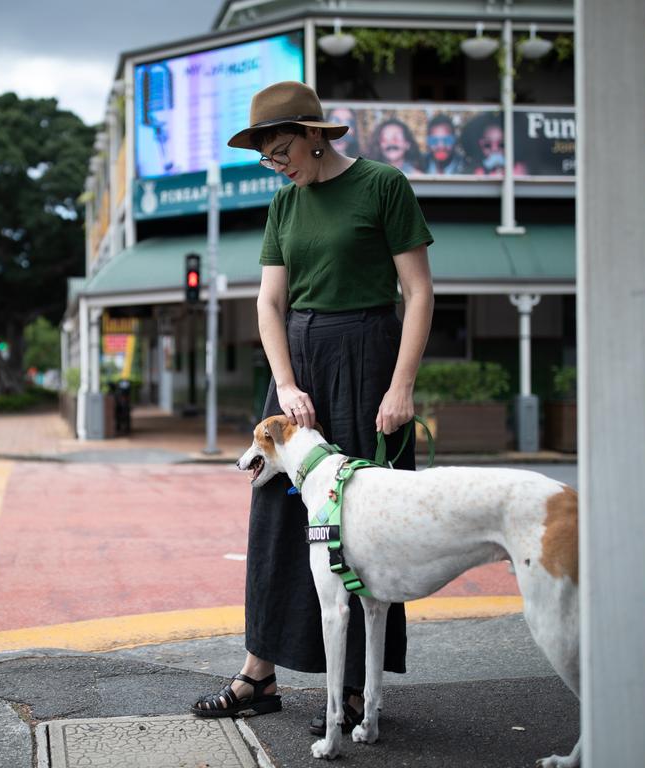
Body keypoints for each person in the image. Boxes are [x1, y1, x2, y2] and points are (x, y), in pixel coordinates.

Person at [190, 80, 434, 736]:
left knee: (361, 524)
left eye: (283, 150)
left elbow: (417, 291)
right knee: (275, 514)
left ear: (314, 133)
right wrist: (285, 384)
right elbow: (270, 304)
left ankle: (355, 687)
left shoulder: (383, 185)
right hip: (297, 370)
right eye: (267, 157)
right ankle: (257, 674)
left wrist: (402, 386)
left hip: (370, 360)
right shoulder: (284, 206)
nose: (279, 165)